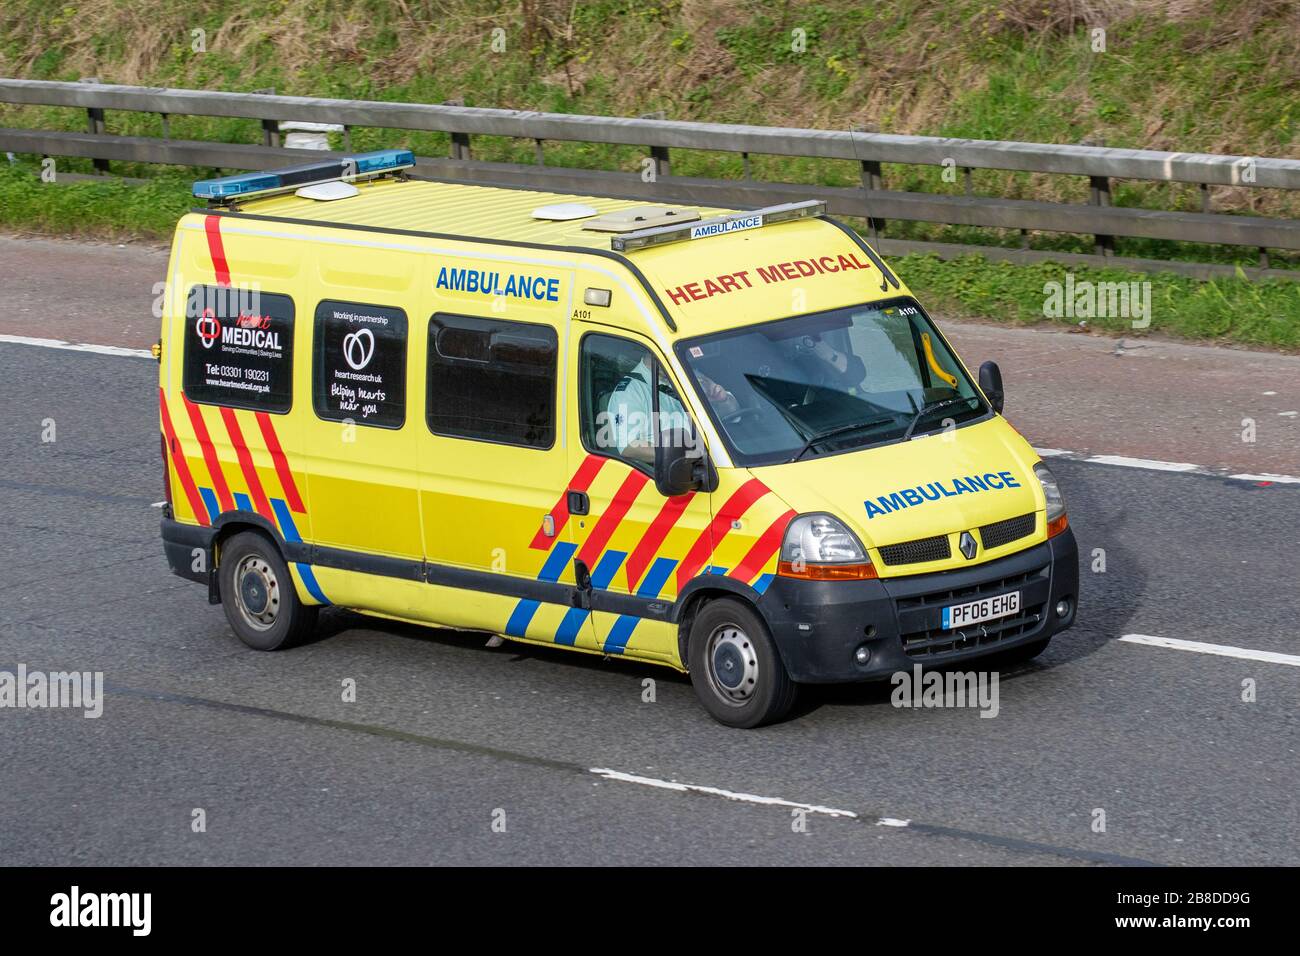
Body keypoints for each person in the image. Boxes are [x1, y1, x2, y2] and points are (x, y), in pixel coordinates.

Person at [605, 357, 738, 464]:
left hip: (722, 455)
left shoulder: (685, 373)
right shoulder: (630, 392)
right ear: (655, 356)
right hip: (677, 472)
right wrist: (679, 455)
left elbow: (732, 413)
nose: (678, 363)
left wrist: (723, 399)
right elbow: (628, 446)